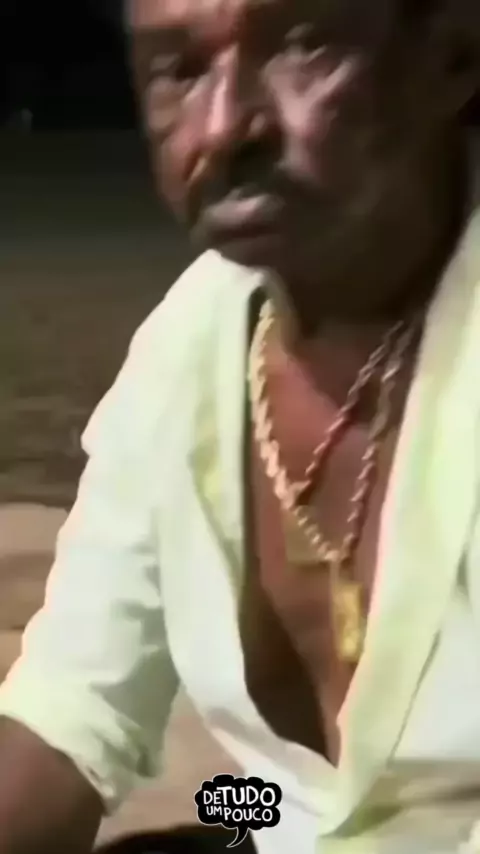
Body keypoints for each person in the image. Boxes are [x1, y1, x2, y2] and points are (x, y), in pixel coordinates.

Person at [1, 0, 480, 852]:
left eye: (305, 45)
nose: (224, 126)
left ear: (455, 55)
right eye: (179, 69)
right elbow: (71, 712)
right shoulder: (193, 344)